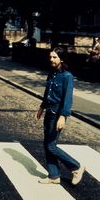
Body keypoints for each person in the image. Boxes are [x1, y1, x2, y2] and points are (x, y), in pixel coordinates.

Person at [36, 47, 85, 185]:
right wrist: (41, 107)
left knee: (51, 146)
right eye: (50, 57)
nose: (51, 59)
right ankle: (54, 175)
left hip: (57, 114)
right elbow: (48, 92)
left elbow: (67, 98)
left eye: (54, 57)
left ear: (61, 59)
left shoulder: (67, 76)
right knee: (47, 145)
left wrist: (63, 116)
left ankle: (76, 167)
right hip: (49, 112)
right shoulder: (52, 73)